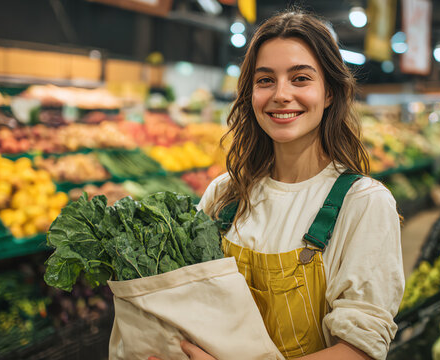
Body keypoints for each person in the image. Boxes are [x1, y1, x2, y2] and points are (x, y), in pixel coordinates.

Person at [151, 9, 404, 360]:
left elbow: (358, 350)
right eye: (265, 80)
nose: (281, 95)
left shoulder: (363, 203)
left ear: (329, 92)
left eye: (300, 79)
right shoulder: (224, 194)